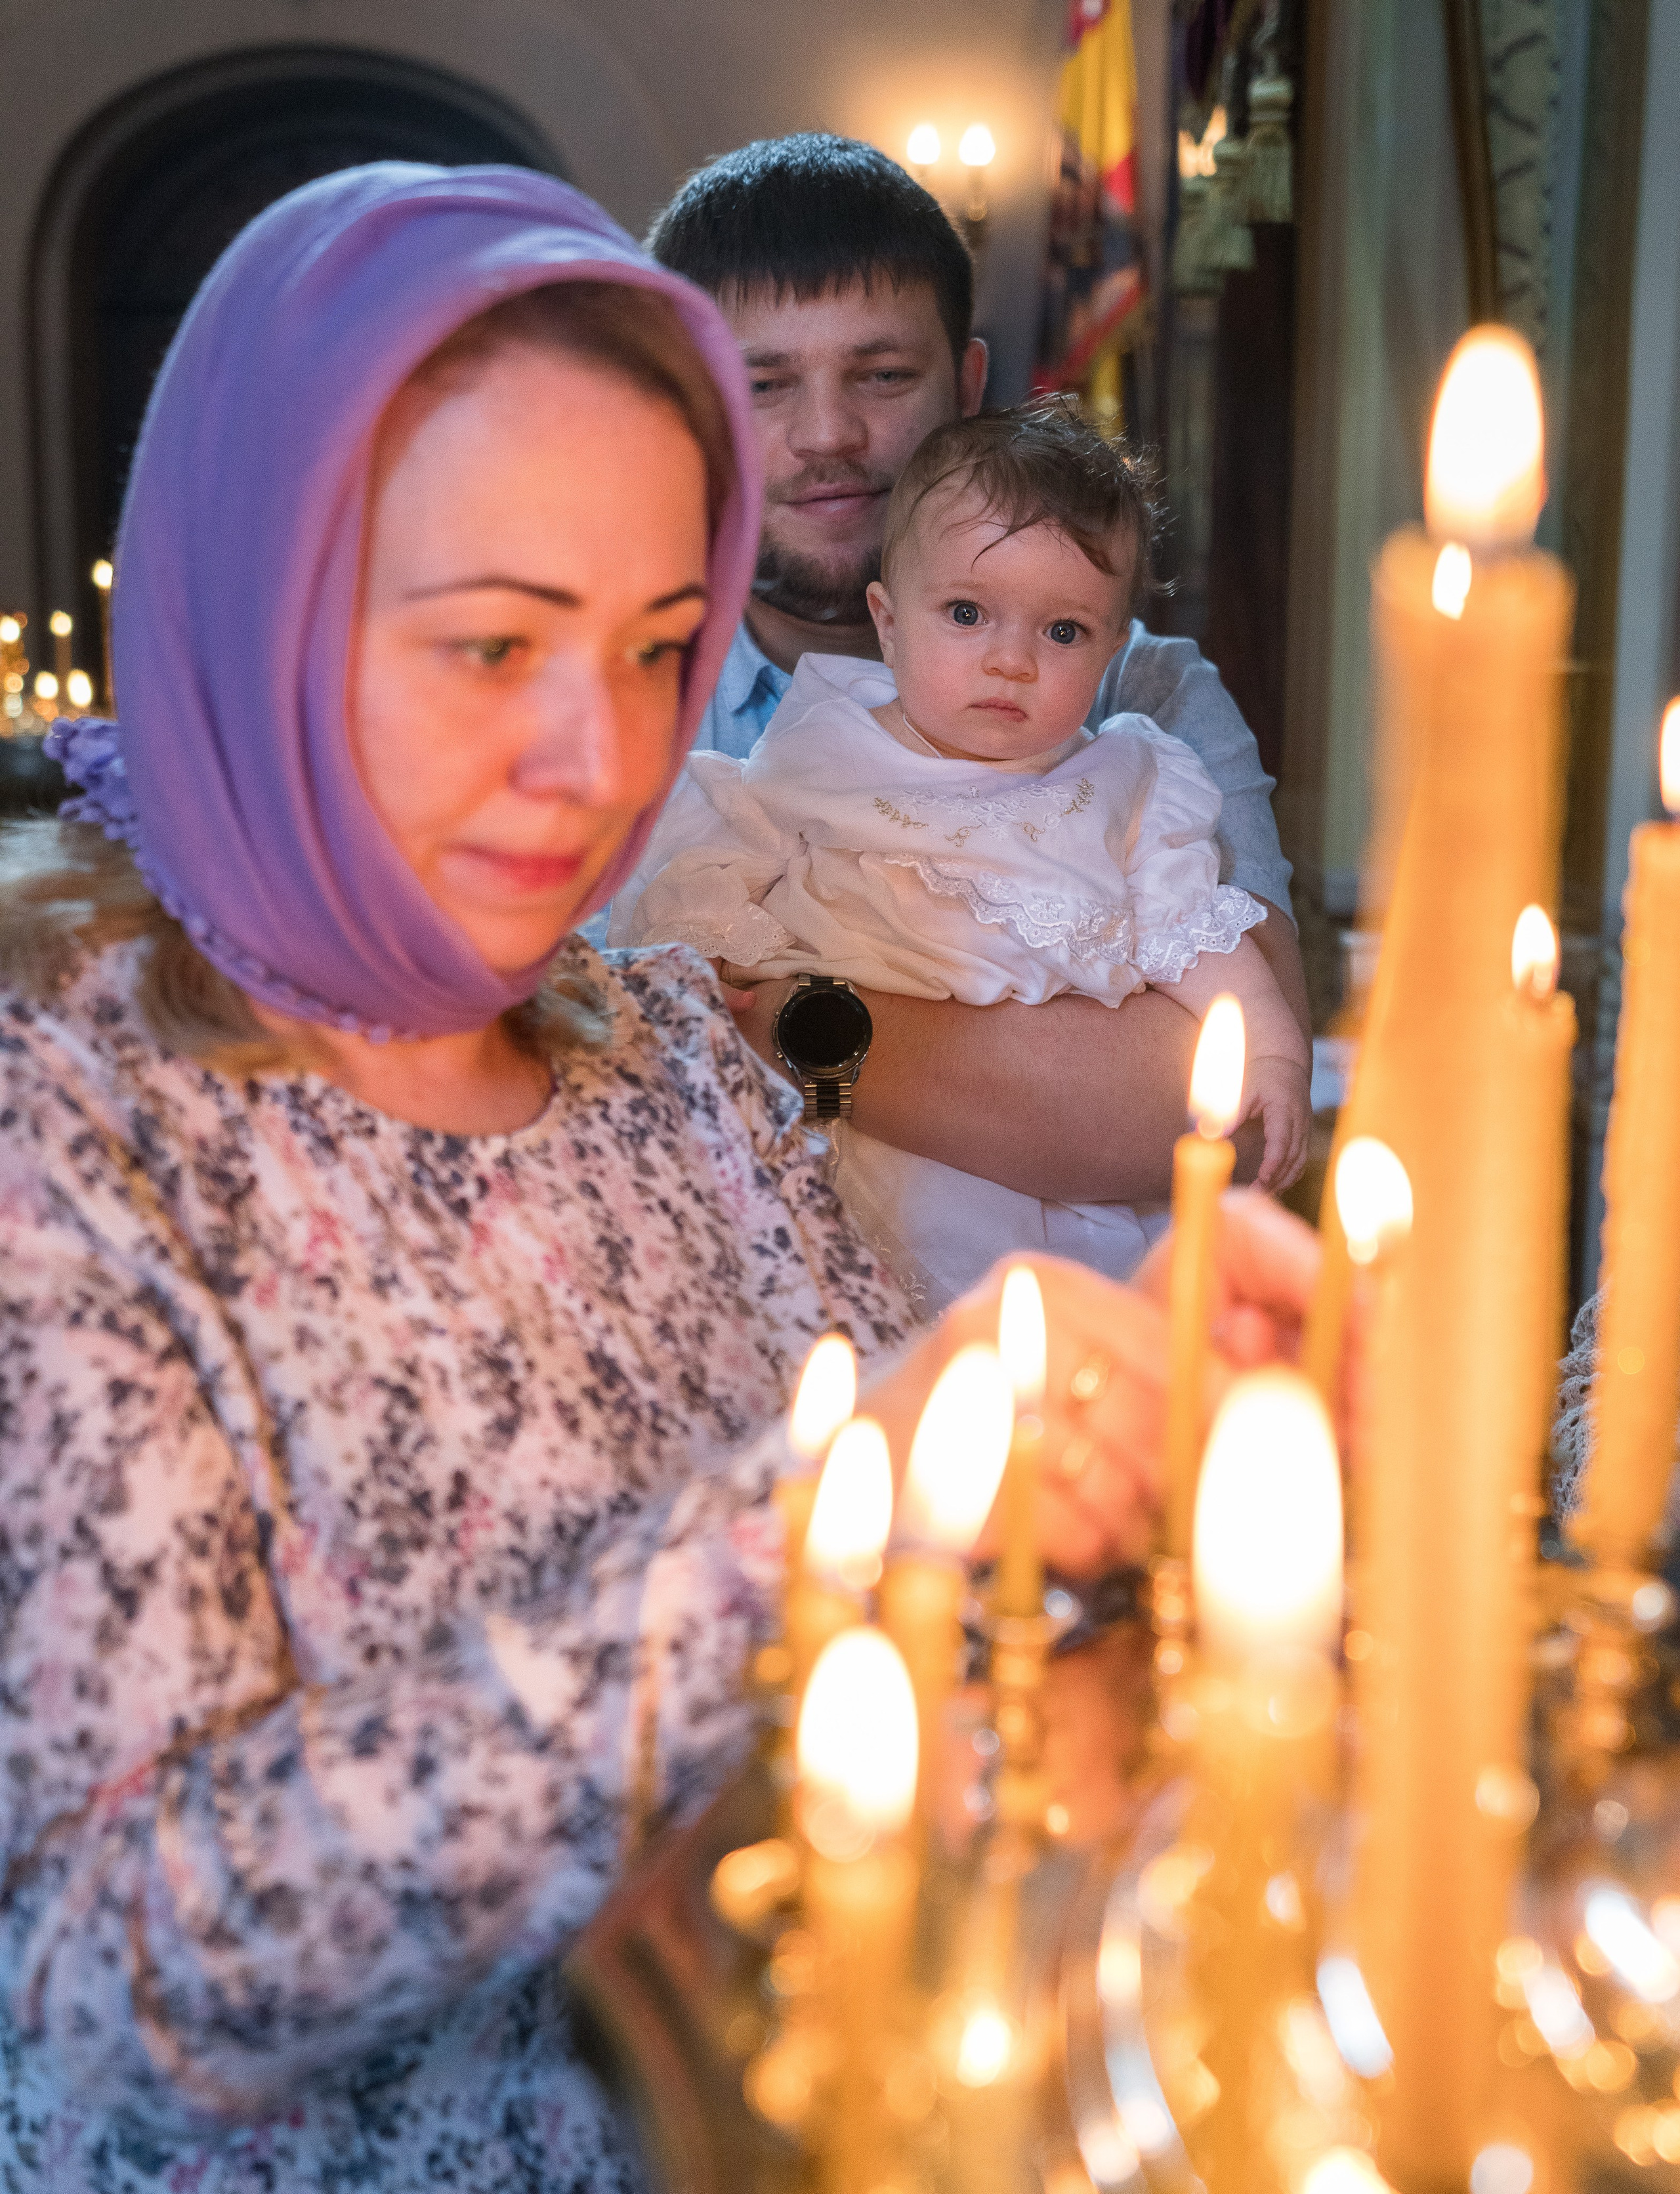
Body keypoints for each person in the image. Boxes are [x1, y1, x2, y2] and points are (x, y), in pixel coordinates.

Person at [0, 162, 1322, 2194]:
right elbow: (113, 1982)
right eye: (488, 647)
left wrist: (1145, 1462)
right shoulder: (70, 1128)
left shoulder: (664, 1049)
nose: (598, 761)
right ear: (255, 599)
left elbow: (922, 1584)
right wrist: (795, 1532)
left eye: (655, 649)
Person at [644, 133, 1312, 1204]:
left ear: (967, 380)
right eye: (762, 383)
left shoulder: (1146, 703)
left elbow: (1218, 1116)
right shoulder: (619, 701)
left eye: (883, 373)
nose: (829, 433)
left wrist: (782, 1021)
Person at [617, 402, 1310, 1310]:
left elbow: (1195, 933)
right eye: (968, 613)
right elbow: (705, 885)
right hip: (855, 1172)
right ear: (890, 620)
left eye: (1063, 631)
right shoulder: (815, 756)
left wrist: (1273, 1051)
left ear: (1109, 648)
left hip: (1062, 1195)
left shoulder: (1129, 783)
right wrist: (708, 955)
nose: (1012, 660)